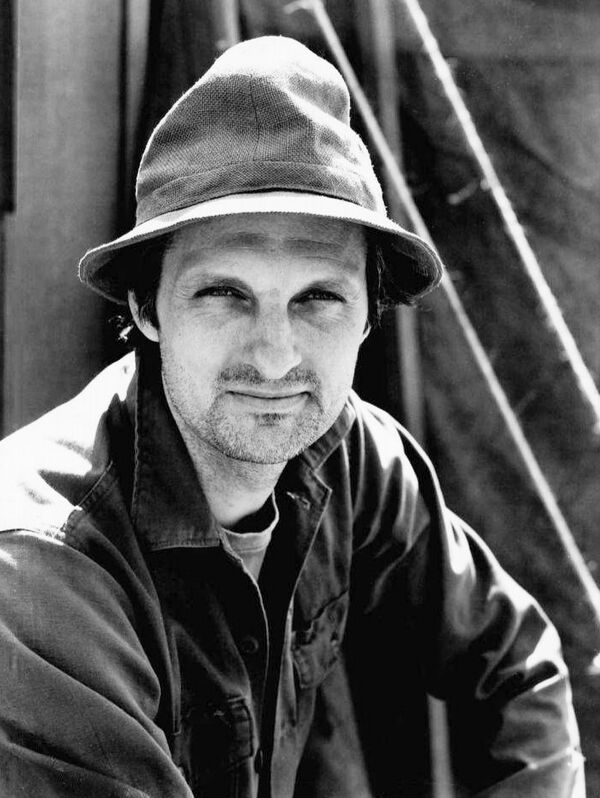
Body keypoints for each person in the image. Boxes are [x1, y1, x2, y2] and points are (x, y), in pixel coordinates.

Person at [0, 35, 585, 798]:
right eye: (224, 294)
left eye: (319, 297)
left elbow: (519, 665)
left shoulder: (348, 454)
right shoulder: (40, 571)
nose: (275, 359)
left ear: (370, 317)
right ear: (146, 308)